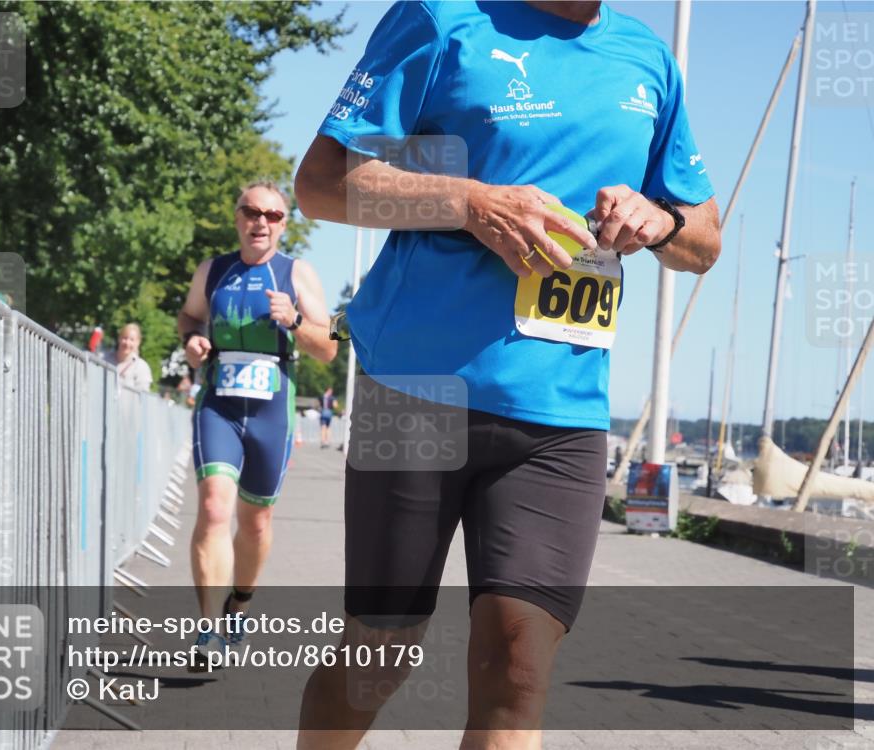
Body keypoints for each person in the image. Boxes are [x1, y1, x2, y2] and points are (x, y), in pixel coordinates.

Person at [294, 1, 721, 747]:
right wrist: (468, 200)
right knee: (380, 652)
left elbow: (704, 236)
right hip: (418, 390)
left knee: (518, 666)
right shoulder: (443, 19)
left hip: (561, 413)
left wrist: (660, 221)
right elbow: (324, 183)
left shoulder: (645, 59)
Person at [177, 180, 337, 659]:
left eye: (272, 216)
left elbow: (328, 348)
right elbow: (188, 317)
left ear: (284, 225)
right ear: (237, 217)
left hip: (272, 409)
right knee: (212, 508)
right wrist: (192, 342)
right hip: (219, 404)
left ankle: (239, 605)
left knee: (257, 521)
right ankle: (207, 630)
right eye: (251, 212)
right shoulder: (214, 270)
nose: (260, 222)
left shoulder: (296, 274)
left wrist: (293, 321)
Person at [104, 323, 153, 392]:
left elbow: (142, 396)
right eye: (125, 338)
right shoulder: (105, 359)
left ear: (138, 342)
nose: (127, 343)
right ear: (119, 338)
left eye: (132, 340)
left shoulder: (142, 368)